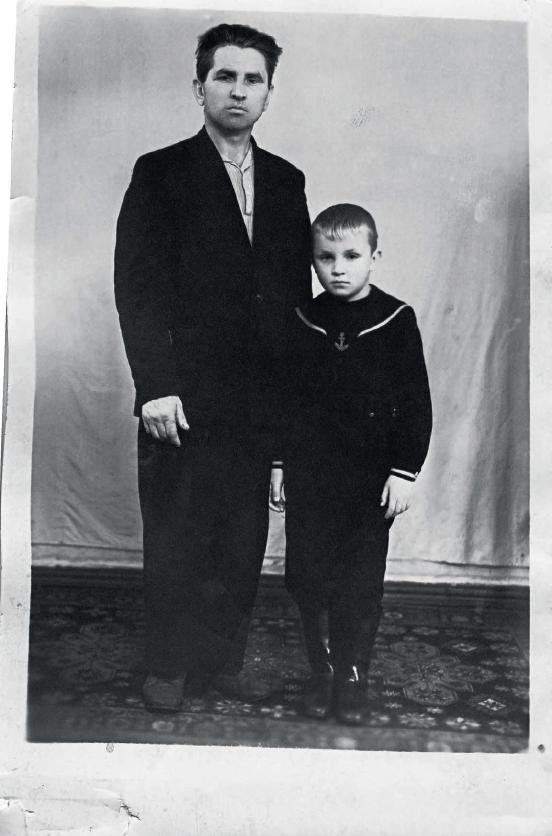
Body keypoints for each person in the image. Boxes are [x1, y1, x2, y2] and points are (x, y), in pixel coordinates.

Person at [114, 23, 312, 712]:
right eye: (225, 76)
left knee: (241, 537)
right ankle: (168, 665)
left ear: (269, 93)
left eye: (253, 79)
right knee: (178, 533)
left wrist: (292, 411)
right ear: (199, 87)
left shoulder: (287, 181)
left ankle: (224, 657)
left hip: (259, 399)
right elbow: (137, 286)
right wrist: (156, 387)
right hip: (183, 395)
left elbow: (295, 300)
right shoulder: (160, 172)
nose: (238, 90)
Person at [270, 204, 432, 725]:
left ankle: (352, 677)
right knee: (308, 576)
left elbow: (416, 403)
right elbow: (285, 400)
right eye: (326, 257)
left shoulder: (396, 319)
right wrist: (279, 463)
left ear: (374, 257)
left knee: (359, 580)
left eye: (351, 256)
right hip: (311, 474)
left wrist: (404, 471)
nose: (338, 268)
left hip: (369, 481)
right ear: (313, 260)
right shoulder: (302, 318)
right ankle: (321, 673)